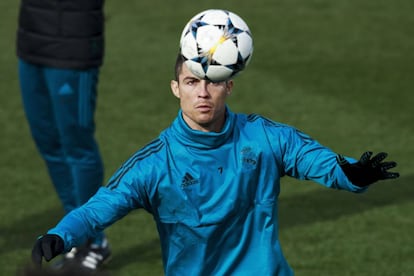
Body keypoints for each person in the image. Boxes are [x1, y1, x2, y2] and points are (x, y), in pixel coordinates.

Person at [31, 52, 399, 274]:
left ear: (229, 86)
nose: (202, 93)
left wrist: (350, 172)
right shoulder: (155, 164)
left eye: (212, 82)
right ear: (176, 87)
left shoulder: (264, 137)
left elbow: (314, 158)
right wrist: (61, 234)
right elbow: (100, 207)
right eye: (192, 82)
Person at [17, 0, 110, 271]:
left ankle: (93, 242)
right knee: (47, 140)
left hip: (73, 41)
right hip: (31, 36)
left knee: (76, 144)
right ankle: (74, 232)